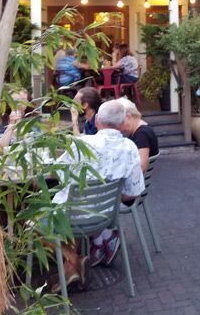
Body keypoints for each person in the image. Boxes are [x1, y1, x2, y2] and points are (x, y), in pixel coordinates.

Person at [53, 100, 145, 281]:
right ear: (122, 123)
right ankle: (79, 262)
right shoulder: (129, 148)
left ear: (96, 121)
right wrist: (108, 199)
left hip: (73, 218)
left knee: (30, 225)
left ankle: (75, 260)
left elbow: (59, 174)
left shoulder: (81, 144)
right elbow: (133, 192)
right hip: (107, 216)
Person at [119, 96, 159, 172]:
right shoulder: (140, 131)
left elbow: (141, 166)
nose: (118, 125)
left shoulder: (142, 134)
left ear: (128, 116)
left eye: (119, 121)